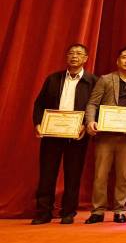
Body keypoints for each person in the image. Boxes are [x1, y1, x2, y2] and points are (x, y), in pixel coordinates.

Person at [31, 43, 97, 224]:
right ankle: (43, 212)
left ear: (86, 58)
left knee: (73, 174)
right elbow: (39, 104)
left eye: (79, 53)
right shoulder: (53, 79)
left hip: (77, 135)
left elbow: (96, 107)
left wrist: (86, 125)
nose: (75, 56)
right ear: (66, 57)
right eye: (71, 53)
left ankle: (68, 212)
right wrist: (38, 123)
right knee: (47, 174)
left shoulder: (93, 81)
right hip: (52, 134)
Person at [84, 47, 126, 224]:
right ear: (118, 61)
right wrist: (90, 121)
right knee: (100, 175)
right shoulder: (105, 79)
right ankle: (98, 210)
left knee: (123, 175)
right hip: (105, 136)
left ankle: (120, 210)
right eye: (124, 57)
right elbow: (92, 103)